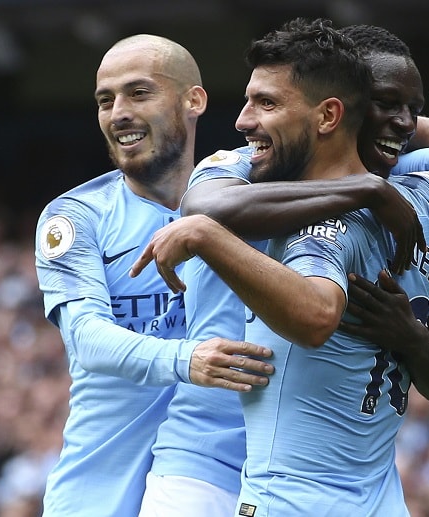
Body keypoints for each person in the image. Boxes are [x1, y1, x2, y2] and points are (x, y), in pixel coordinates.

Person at [135, 22, 429, 516]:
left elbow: (321, 317)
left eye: (267, 103)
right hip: (214, 456)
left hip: (314, 492)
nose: (244, 121)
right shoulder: (245, 168)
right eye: (386, 104)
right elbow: (204, 209)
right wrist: (372, 186)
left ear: (330, 113)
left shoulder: (409, 203)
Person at [33, 34, 274, 517]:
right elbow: (87, 339)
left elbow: (356, 141)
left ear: (194, 100)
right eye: (105, 100)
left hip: (219, 481)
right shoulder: (76, 217)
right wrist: (189, 359)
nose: (118, 113)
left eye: (138, 93)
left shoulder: (249, 189)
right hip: (99, 490)